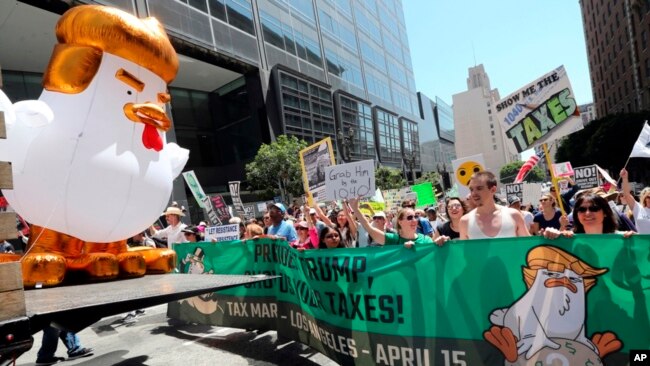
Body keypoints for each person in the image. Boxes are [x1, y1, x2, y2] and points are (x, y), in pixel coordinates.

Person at [459, 171, 530, 239]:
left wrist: (541, 238)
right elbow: (462, 251)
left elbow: (530, 246)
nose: (473, 193)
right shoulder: (465, 221)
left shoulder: (514, 215)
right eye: (471, 189)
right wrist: (447, 245)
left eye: (479, 188)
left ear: (493, 190)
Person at [543, 192, 636, 238]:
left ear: (605, 213)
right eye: (582, 209)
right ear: (576, 214)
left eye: (594, 208)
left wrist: (637, 241)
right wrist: (551, 235)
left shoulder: (623, 238)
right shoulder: (569, 239)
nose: (587, 213)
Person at [349, 198, 433, 248]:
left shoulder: (427, 240)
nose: (414, 220)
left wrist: (442, 242)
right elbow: (369, 229)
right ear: (400, 222)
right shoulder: (393, 240)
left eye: (416, 217)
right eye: (410, 217)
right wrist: (355, 209)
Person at [620, 168, 650, 234]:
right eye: (648, 197)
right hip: (641, 242)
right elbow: (627, 195)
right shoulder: (638, 208)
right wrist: (625, 178)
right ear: (644, 198)